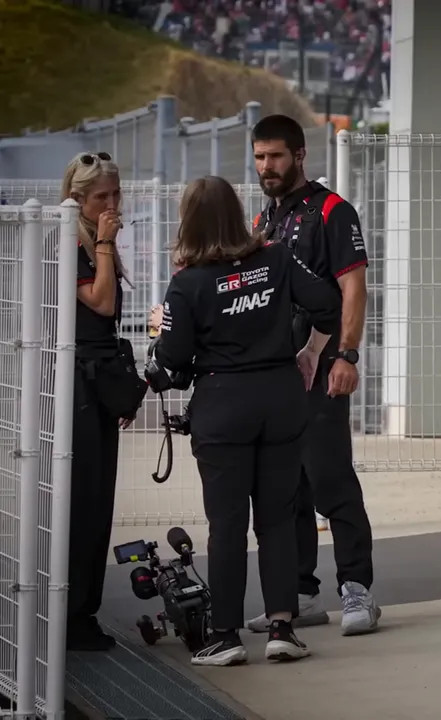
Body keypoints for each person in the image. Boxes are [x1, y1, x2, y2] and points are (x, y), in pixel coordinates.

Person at [147, 175, 342, 666]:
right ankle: (282, 628)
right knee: (277, 519)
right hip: (280, 398)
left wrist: (159, 329)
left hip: (222, 406)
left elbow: (170, 365)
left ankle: (225, 636)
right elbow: (328, 303)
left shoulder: (187, 283)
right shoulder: (276, 257)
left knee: (227, 524)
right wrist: (311, 352)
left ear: (188, 221)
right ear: (236, 213)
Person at [243, 114, 380, 636]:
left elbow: (354, 288)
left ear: (299, 155)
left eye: (275, 156)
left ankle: (358, 591)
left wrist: (346, 355)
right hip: (278, 375)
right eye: (259, 157)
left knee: (329, 479)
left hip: (323, 367)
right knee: (286, 487)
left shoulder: (332, 211)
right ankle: (298, 593)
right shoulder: (264, 220)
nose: (266, 166)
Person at [64, 151, 148, 651]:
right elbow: (100, 301)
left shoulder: (95, 240)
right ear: (79, 199)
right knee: (84, 500)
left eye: (116, 194)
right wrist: (103, 242)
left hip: (98, 379)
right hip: (79, 382)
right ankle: (73, 613)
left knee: (97, 501)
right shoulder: (73, 241)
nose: (112, 205)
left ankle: (81, 609)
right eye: (102, 197)